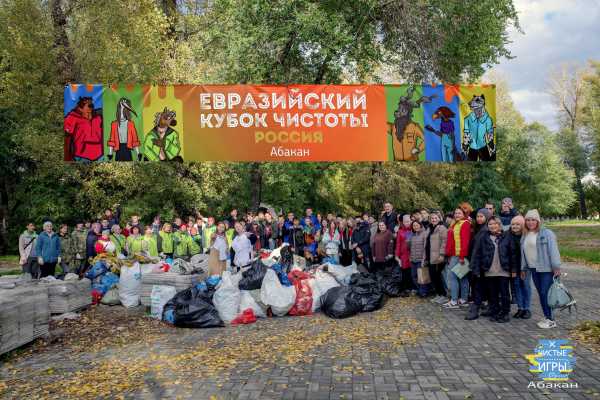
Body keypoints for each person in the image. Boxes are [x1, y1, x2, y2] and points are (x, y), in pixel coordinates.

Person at [521, 209, 561, 329]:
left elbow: (553, 250)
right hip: (533, 269)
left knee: (545, 293)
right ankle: (547, 316)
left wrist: (556, 266)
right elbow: (523, 253)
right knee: (541, 294)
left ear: (538, 221)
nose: (530, 222)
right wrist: (523, 268)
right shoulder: (525, 235)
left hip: (546, 269)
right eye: (528, 220)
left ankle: (551, 319)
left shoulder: (546, 233)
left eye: (533, 220)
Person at [469, 216, 511, 322]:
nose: (492, 226)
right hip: (489, 270)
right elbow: (478, 254)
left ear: (499, 224)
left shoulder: (506, 236)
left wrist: (513, 269)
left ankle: (505, 313)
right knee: (493, 294)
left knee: (504, 293)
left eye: (495, 223)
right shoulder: (484, 237)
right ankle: (495, 311)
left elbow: (512, 253)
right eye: (490, 224)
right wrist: (476, 269)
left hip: (503, 270)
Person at [500, 215, 530, 319]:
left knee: (526, 287)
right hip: (513, 266)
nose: (515, 226)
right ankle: (520, 308)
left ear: (522, 225)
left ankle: (527, 309)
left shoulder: (526, 235)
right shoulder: (507, 235)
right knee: (517, 287)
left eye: (518, 224)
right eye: (513, 224)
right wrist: (512, 269)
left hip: (525, 266)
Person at [465, 208, 492, 319]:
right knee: (479, 286)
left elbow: (483, 250)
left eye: (482, 216)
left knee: (478, 287)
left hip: (481, 264)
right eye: (478, 216)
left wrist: (479, 265)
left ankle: (476, 309)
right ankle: (487, 307)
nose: (479, 218)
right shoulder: (478, 229)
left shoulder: (485, 230)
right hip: (476, 262)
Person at [443, 207, 471, 309]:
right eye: (456, 213)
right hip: (455, 254)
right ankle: (463, 299)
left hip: (460, 255)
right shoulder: (456, 224)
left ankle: (454, 300)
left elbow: (465, 241)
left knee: (452, 277)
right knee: (462, 277)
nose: (457, 215)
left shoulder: (465, 224)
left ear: (464, 214)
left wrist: (462, 257)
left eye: (459, 213)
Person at [425, 211, 448, 304]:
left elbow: (444, 242)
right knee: (433, 276)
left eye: (435, 218)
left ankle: (443, 295)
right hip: (430, 256)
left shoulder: (442, 228)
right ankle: (438, 294)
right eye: (432, 218)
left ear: (439, 218)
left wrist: (442, 255)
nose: (434, 220)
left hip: (438, 257)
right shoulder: (429, 228)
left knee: (438, 276)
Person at [409, 220, 429, 297]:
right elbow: (408, 246)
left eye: (417, 225)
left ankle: (423, 292)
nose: (415, 227)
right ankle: (420, 290)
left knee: (422, 277)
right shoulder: (412, 235)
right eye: (414, 226)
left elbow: (425, 248)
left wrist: (424, 259)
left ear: (420, 226)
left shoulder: (424, 234)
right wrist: (408, 235)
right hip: (413, 259)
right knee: (414, 276)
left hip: (421, 259)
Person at [395, 214, 413, 295]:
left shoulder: (414, 230)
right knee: (405, 271)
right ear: (403, 222)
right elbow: (398, 244)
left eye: (408, 221)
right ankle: (406, 288)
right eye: (405, 222)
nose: (407, 223)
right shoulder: (400, 231)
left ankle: (413, 287)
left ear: (411, 221)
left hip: (413, 254)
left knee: (412, 271)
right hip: (404, 255)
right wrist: (397, 256)